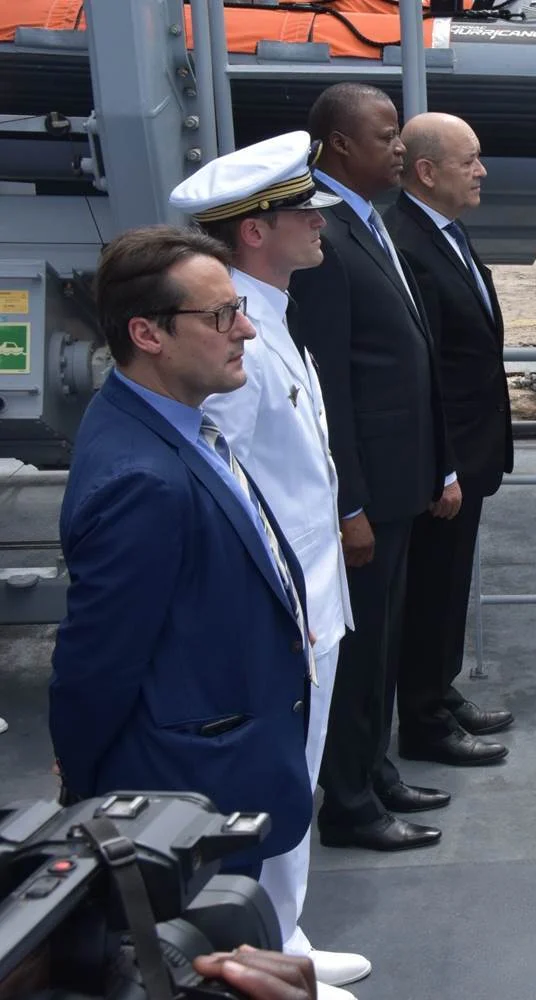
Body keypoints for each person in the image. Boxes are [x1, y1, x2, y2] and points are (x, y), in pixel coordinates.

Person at [168, 131, 370, 997]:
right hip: (282, 609)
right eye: (302, 213)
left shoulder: (269, 314)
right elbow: (227, 484)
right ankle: (261, 949)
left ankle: (286, 933)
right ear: (254, 232)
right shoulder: (237, 340)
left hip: (313, 597)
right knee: (273, 783)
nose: (319, 222)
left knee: (298, 774)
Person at [50, 226, 312, 878]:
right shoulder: (142, 481)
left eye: (238, 309)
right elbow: (96, 664)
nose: (244, 330)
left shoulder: (161, 421)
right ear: (147, 334)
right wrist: (84, 785)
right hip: (188, 801)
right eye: (220, 316)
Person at [290, 82, 456, 853]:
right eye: (386, 135)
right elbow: (331, 385)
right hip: (370, 494)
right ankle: (350, 804)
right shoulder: (323, 237)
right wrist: (348, 504)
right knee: (358, 654)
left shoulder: (366, 221)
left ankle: (375, 768)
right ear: (339, 146)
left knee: (384, 643)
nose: (399, 147)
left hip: (401, 483)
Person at [385, 112, 514, 767]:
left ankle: (439, 688)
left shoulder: (444, 232)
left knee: (450, 582)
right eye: (470, 161)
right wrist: (443, 467)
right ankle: (425, 721)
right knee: (432, 590)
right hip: (446, 459)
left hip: (469, 449)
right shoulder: (407, 244)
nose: (482, 171)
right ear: (428, 172)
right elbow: (422, 371)